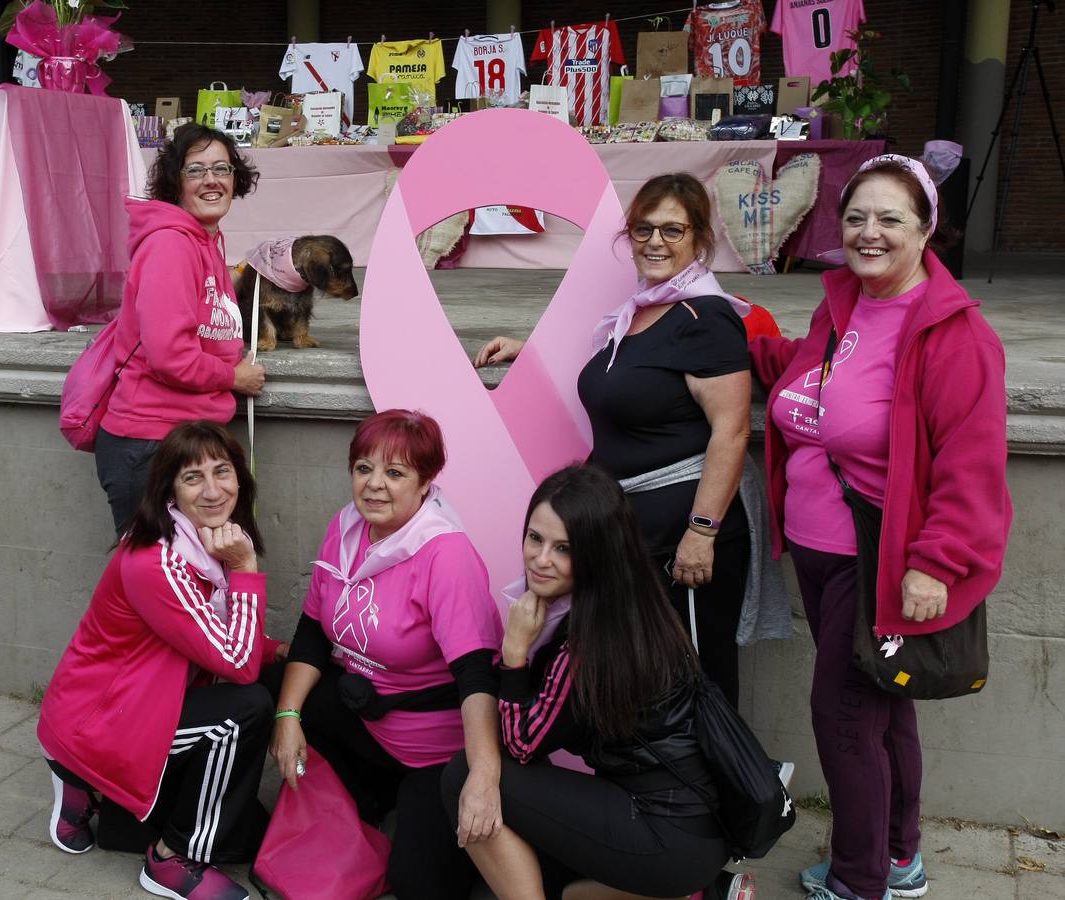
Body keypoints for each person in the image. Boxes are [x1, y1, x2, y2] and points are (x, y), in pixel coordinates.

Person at [750, 155, 1012, 900]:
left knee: (842, 714)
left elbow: (974, 468)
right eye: (857, 217)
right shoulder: (841, 305)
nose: (868, 233)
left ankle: (859, 880)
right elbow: (798, 371)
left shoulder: (954, 336)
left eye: (890, 219)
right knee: (882, 705)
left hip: (882, 559)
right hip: (819, 546)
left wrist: (936, 562)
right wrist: (706, 333)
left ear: (928, 231)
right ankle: (901, 857)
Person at [475, 173, 789, 709]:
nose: (655, 243)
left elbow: (732, 431)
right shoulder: (643, 310)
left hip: (683, 534)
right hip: (638, 529)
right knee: (646, 682)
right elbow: (625, 379)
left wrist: (702, 531)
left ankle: (727, 793)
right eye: (644, 230)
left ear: (699, 238)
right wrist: (530, 350)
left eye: (672, 230)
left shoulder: (706, 317)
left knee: (696, 684)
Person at [443, 464, 734, 900]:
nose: (541, 560)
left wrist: (514, 655)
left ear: (598, 553)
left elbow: (521, 743)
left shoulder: (590, 640)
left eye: (565, 548)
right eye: (535, 538)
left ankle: (685, 891)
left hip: (665, 835)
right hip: (698, 826)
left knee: (466, 774)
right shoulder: (635, 600)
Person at [38, 420, 285, 900]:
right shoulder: (158, 561)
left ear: (241, 478)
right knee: (244, 710)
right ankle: (172, 859)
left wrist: (282, 651)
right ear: (169, 487)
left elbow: (213, 636)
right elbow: (237, 664)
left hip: (146, 701)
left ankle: (95, 794)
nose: (213, 490)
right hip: (101, 720)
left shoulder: (198, 543)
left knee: (247, 832)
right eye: (193, 477)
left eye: (223, 472)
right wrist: (245, 570)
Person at [269, 409, 504, 900]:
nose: (374, 485)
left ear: (426, 483)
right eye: (363, 468)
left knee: (416, 884)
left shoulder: (445, 553)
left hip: (433, 752)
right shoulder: (347, 526)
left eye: (395, 473)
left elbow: (478, 677)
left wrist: (483, 779)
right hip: (366, 718)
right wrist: (287, 717)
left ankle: (409, 806)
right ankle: (369, 796)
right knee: (273, 686)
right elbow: (312, 632)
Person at [96, 123, 267, 534]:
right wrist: (232, 376)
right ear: (176, 181)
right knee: (162, 587)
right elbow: (169, 354)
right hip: (152, 446)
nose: (211, 180)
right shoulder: (170, 246)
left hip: (187, 442)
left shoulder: (206, 242)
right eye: (196, 170)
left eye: (222, 169)